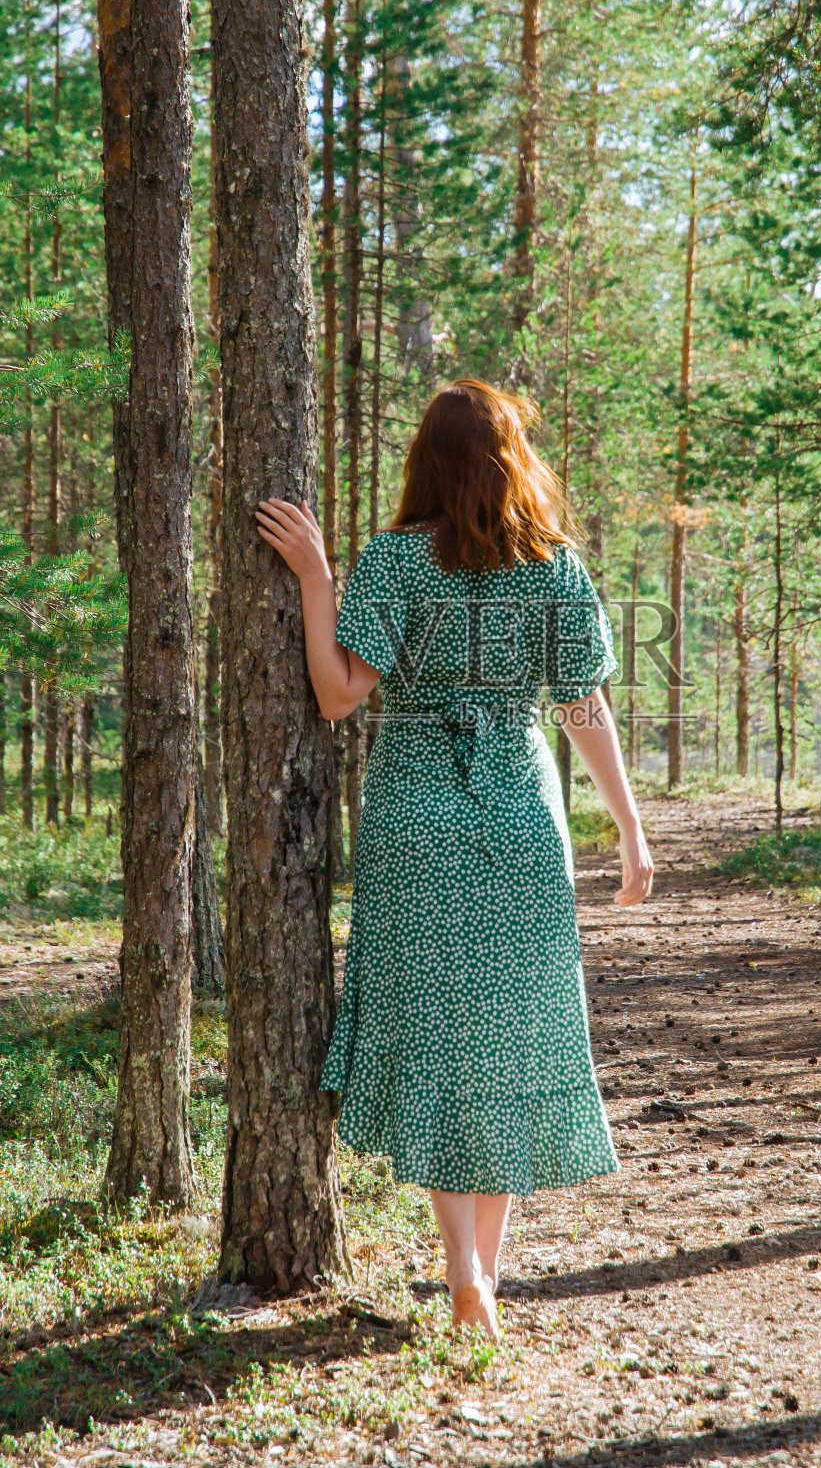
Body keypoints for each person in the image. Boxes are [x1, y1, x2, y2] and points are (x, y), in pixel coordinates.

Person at [255, 379, 653, 1339]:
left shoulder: (391, 561)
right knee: (512, 1042)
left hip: (415, 818)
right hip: (520, 813)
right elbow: (581, 708)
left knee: (437, 1039)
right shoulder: (553, 567)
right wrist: (632, 830)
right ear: (512, 461)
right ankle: (485, 1278)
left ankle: (462, 1268)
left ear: (424, 463)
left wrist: (316, 578)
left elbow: (341, 696)